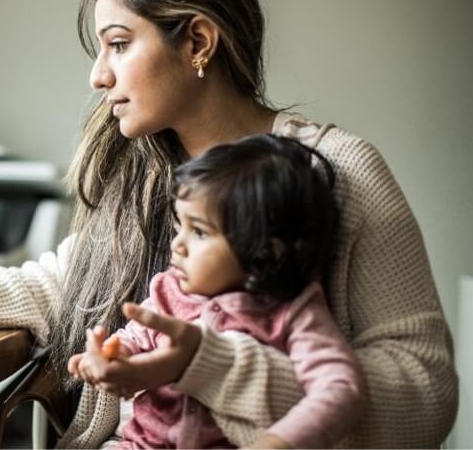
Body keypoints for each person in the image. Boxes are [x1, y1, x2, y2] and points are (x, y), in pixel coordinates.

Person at [0, 0, 457, 447]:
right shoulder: (143, 170)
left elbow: (426, 393)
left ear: (199, 42)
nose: (99, 76)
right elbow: (69, 286)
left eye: (119, 44)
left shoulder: (336, 172)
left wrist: (209, 369)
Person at [68, 134, 366, 449]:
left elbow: (341, 388)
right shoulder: (169, 291)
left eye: (198, 231)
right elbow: (132, 339)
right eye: (179, 225)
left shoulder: (294, 312)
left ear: (266, 252)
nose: (177, 244)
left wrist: (279, 442)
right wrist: (110, 357)